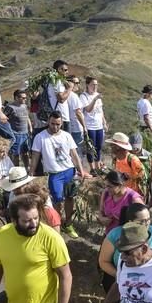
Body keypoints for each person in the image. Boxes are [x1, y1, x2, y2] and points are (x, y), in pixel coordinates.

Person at [98, 203, 152, 303]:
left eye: (148, 220)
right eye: (142, 221)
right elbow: (103, 261)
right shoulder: (115, 235)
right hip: (122, 284)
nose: (146, 224)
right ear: (130, 222)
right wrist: (121, 275)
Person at [30, 111, 90, 239]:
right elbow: (35, 156)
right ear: (48, 122)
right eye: (52, 124)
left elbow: (74, 154)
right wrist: (31, 173)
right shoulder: (40, 137)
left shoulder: (66, 136)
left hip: (69, 171)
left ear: (61, 123)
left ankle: (67, 223)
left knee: (70, 197)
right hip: (55, 174)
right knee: (57, 200)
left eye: (58, 124)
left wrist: (81, 170)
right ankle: (55, 224)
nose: (55, 127)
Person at [97, 170, 144, 235]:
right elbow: (101, 211)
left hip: (127, 238)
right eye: (106, 186)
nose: (107, 189)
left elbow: (144, 220)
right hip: (110, 235)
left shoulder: (133, 199)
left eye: (110, 186)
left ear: (120, 185)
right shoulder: (106, 193)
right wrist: (102, 218)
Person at [80, 76, 107, 175]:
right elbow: (87, 109)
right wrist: (95, 99)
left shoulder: (97, 95)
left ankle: (97, 166)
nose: (95, 86)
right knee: (91, 148)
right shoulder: (83, 96)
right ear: (87, 85)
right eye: (93, 84)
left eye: (96, 84)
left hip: (99, 125)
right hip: (89, 125)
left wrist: (104, 122)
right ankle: (92, 168)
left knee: (99, 147)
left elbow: (101, 110)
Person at [6, 89, 33, 170]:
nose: (25, 99)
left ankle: (27, 169)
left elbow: (27, 116)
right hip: (16, 134)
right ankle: (16, 170)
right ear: (16, 98)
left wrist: (30, 127)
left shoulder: (24, 106)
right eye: (23, 98)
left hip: (25, 134)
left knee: (25, 153)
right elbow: (3, 119)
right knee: (15, 154)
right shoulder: (10, 108)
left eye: (25, 98)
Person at [65, 76, 87, 161]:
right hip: (76, 127)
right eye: (76, 83)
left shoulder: (66, 94)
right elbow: (78, 112)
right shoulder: (73, 96)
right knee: (77, 150)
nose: (78, 85)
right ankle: (79, 170)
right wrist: (84, 126)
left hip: (70, 126)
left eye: (78, 82)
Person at [46, 60, 71, 131]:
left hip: (57, 116)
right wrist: (69, 89)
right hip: (60, 118)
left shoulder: (54, 80)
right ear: (59, 70)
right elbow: (61, 99)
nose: (67, 72)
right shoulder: (57, 81)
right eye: (65, 70)